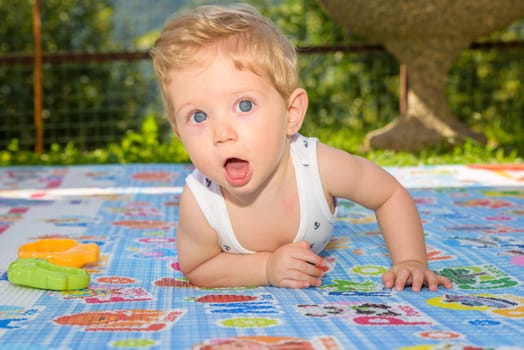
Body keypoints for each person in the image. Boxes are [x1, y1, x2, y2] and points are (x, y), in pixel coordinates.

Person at [150, 3, 452, 291]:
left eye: (244, 105)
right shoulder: (201, 201)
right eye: (198, 116)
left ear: (291, 114)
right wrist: (267, 268)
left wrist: (411, 260)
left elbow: (388, 194)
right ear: (179, 133)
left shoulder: (319, 167)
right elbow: (199, 266)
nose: (222, 133)